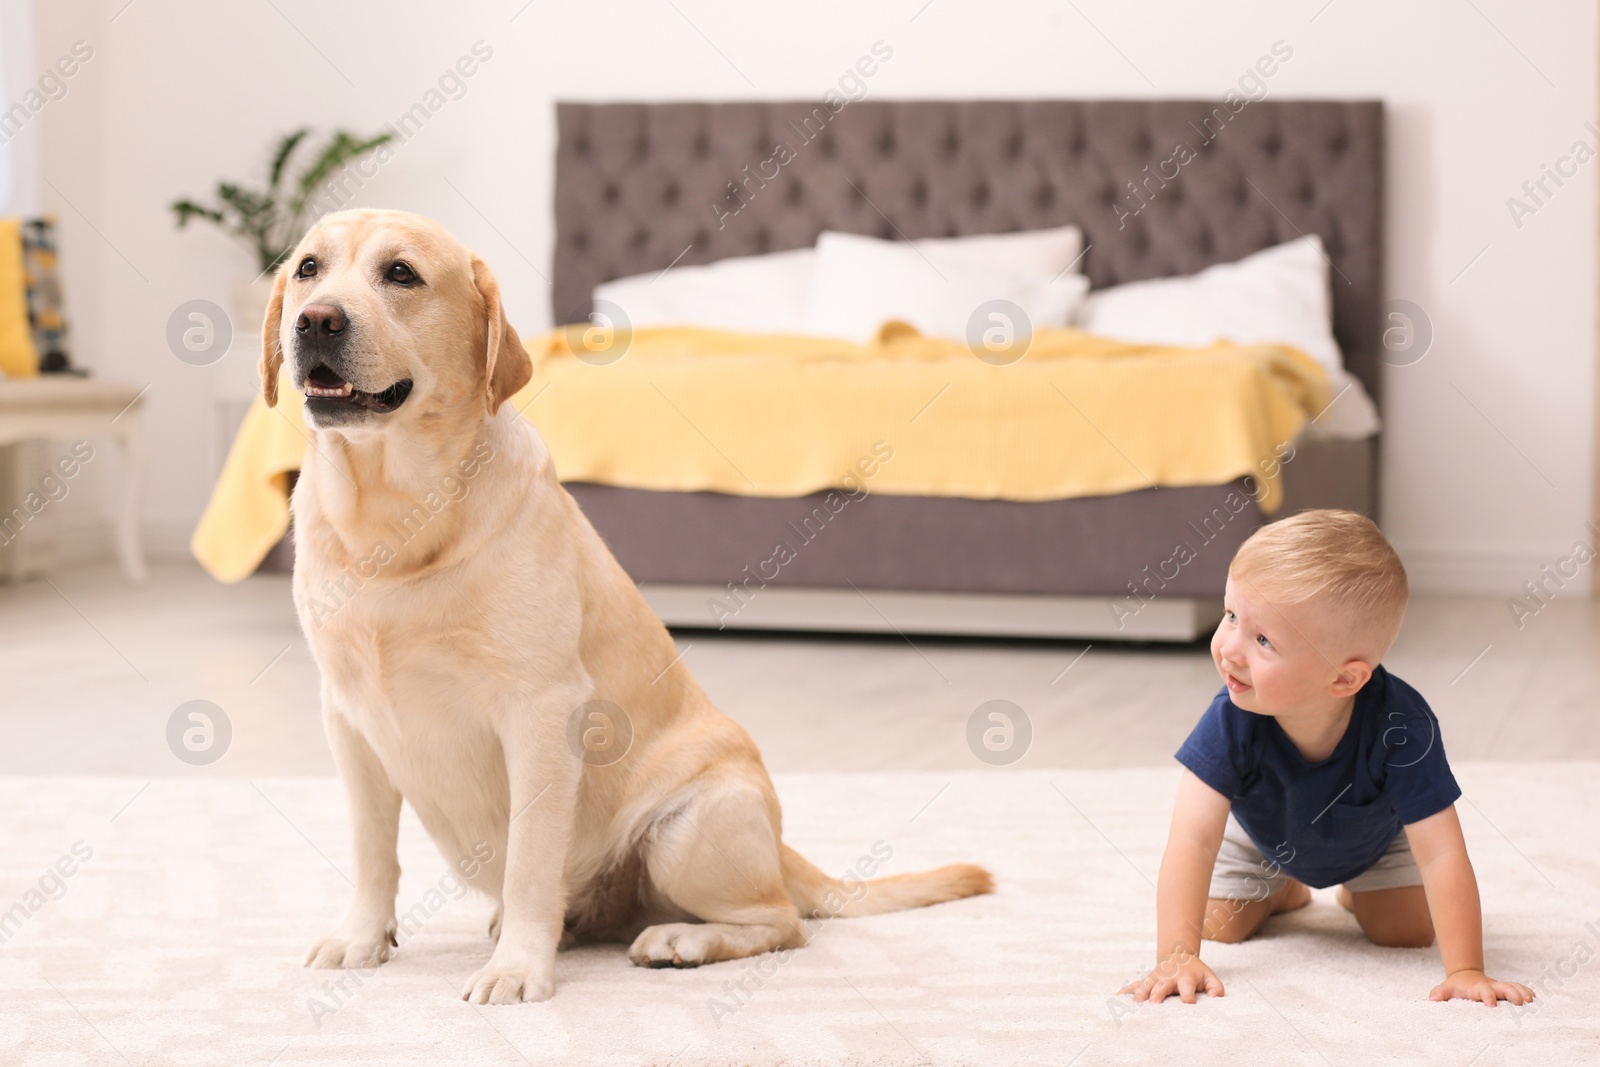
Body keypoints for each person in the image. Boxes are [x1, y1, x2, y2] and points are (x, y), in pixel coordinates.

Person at [1121, 510, 1533, 1008]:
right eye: (1231, 616)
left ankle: (1353, 890)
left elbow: (1442, 852)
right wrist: (1176, 955)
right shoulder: (1232, 717)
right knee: (1217, 926)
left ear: (1344, 679)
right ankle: (1283, 888)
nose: (1228, 649)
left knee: (1405, 931)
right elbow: (1193, 836)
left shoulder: (1404, 727)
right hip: (1262, 838)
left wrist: (1466, 969)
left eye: (1263, 640)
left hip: (1375, 841)